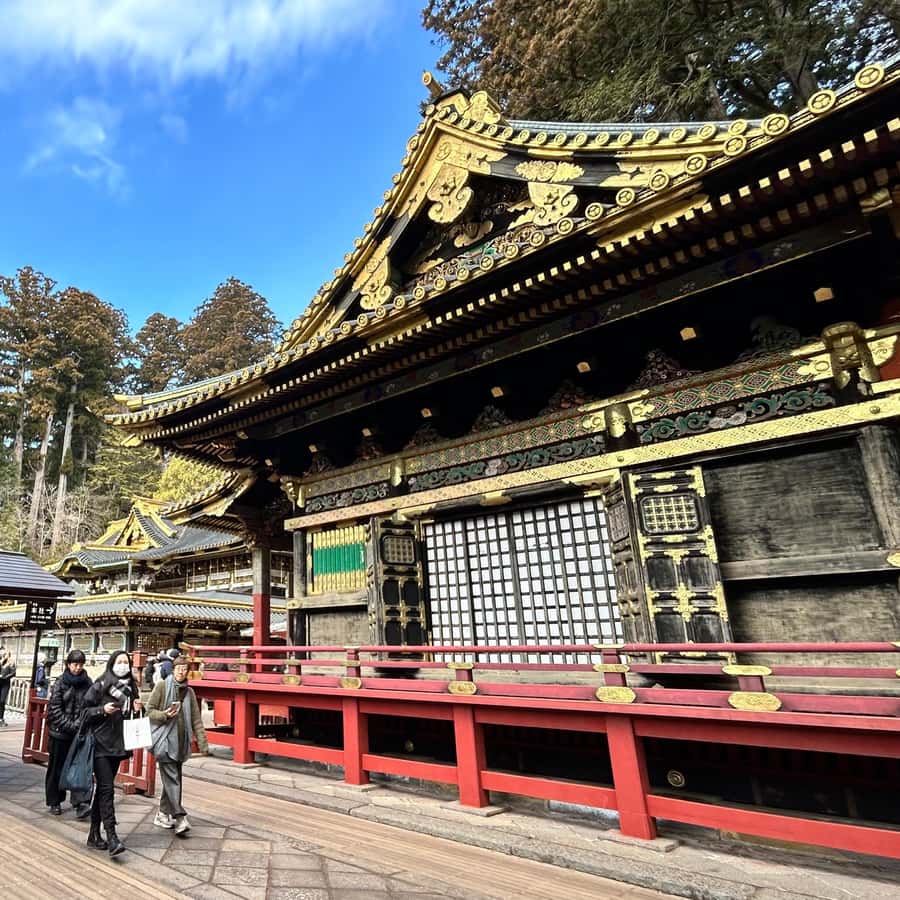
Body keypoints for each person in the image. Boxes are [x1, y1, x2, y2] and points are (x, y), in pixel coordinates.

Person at [82, 651, 143, 856]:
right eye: (119, 662)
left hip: (119, 743)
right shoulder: (101, 683)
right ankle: (112, 836)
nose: (123, 665)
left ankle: (93, 835)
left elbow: (131, 715)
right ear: (112, 663)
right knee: (107, 789)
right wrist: (102, 710)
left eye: (126, 662)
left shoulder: (131, 686)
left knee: (102, 790)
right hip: (100, 742)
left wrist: (136, 708)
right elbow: (84, 710)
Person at [146, 655, 208, 835]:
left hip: (181, 742)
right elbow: (149, 710)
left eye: (185, 669)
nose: (181, 672)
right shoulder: (162, 686)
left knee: (173, 780)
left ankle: (162, 813)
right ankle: (180, 817)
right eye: (178, 668)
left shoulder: (189, 692)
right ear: (173, 669)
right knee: (173, 779)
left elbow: (196, 718)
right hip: (165, 741)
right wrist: (165, 714)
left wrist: (202, 742)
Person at [46, 649, 93, 817]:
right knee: (56, 768)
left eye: (80, 664)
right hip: (59, 733)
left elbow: (89, 706)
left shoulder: (88, 683)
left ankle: (80, 803)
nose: (78, 668)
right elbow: (54, 708)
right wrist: (70, 725)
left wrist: (79, 724)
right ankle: (54, 801)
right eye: (75, 664)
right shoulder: (60, 683)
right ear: (68, 664)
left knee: (79, 769)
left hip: (78, 732)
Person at [0, 653, 15, 726]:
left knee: (2, 701)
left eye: (5, 655)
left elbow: (13, 673)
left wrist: (5, 677)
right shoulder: (1, 662)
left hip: (5, 684)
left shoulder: (11, 663)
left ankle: (1, 718)